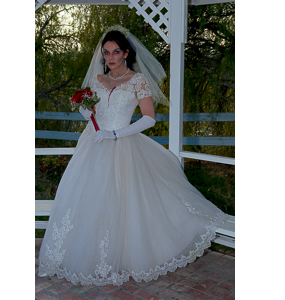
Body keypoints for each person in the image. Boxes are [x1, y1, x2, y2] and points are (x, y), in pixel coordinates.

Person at [38, 25, 226, 286]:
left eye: (116, 52)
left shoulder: (138, 81)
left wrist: (116, 133)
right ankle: (88, 257)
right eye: (106, 52)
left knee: (125, 201)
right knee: (89, 199)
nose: (110, 57)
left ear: (126, 53)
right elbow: (93, 110)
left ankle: (126, 256)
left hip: (123, 143)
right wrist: (87, 113)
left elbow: (149, 118)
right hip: (93, 144)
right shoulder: (97, 80)